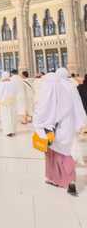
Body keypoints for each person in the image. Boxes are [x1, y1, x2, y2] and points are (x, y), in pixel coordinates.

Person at [34, 68, 87, 196]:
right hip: (68, 126)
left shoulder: (54, 87)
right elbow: (78, 107)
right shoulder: (71, 87)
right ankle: (70, 181)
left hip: (54, 127)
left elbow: (47, 107)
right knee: (66, 153)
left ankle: (56, 178)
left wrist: (40, 122)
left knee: (53, 153)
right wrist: (81, 124)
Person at [0, 72, 17, 137]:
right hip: (12, 102)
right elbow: (15, 92)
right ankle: (13, 131)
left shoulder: (0, 84)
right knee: (12, 116)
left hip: (4, 103)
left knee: (6, 117)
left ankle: (8, 131)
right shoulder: (13, 83)